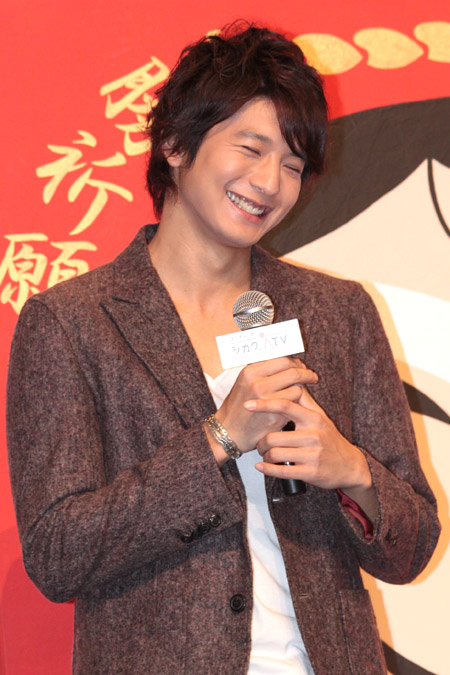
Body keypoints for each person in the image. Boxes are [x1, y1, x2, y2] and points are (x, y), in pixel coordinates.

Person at [7, 24, 440, 674]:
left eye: (292, 164)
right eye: (251, 148)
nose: (270, 182)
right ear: (177, 143)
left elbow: (412, 547)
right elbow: (57, 553)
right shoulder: (72, 322)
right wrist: (218, 437)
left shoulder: (338, 312)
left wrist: (352, 468)